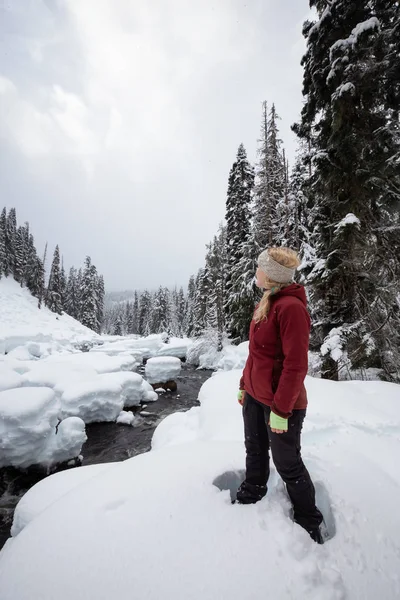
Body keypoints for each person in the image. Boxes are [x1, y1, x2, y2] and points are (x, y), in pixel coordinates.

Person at [236, 246, 324, 544]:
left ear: (271, 276)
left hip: (281, 405)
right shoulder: (267, 303)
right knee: (255, 450)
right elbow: (256, 355)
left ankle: (309, 519)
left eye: (259, 268)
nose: (255, 273)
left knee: (287, 462)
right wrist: (243, 385)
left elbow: (296, 365)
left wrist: (281, 410)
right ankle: (252, 492)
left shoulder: (291, 309)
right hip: (255, 396)